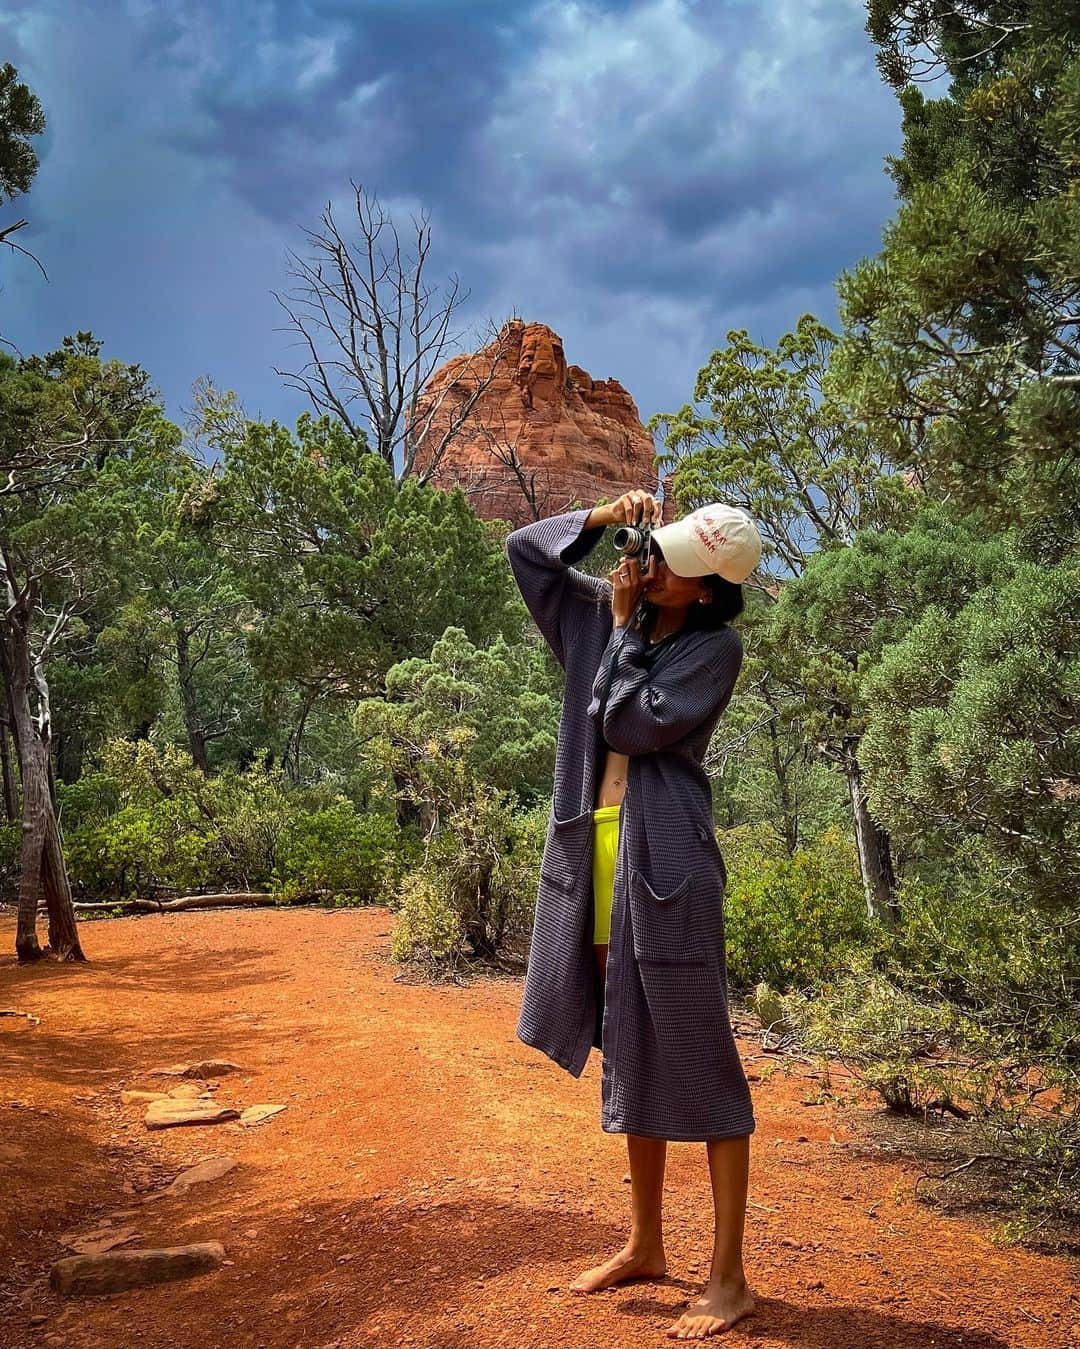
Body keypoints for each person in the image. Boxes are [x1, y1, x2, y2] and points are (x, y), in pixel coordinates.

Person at [505, 488, 763, 1340]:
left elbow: (623, 720)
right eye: (658, 550)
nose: (654, 568)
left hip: (668, 863)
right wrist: (597, 513)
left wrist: (618, 628)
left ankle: (728, 1277)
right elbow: (525, 552)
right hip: (597, 854)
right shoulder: (606, 614)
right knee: (628, 1039)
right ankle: (646, 1242)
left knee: (700, 1053)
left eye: (676, 567)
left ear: (708, 591)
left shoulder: (711, 650)